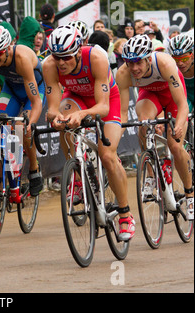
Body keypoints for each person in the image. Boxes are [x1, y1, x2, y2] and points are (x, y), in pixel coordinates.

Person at [43, 25, 136, 241]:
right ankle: (76, 175)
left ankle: (125, 214)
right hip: (76, 97)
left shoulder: (96, 57)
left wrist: (83, 114)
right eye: (57, 57)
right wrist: (56, 117)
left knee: (107, 156)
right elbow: (53, 108)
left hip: (106, 101)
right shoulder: (49, 65)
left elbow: (102, 107)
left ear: (78, 51)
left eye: (66, 57)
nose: (61, 62)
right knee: (64, 124)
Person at [116, 34, 193, 220]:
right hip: (150, 95)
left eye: (139, 63)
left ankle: (190, 194)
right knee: (143, 122)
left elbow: (182, 103)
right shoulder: (122, 74)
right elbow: (123, 113)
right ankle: (150, 173)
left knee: (175, 145)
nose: (134, 68)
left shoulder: (166, 64)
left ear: (149, 59)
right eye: (129, 63)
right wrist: (113, 144)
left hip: (173, 98)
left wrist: (180, 126)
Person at [0, 26, 46, 198]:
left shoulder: (22, 58)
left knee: (22, 127)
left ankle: (33, 168)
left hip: (34, 90)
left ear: (8, 48)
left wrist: (31, 123)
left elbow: (36, 101)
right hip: (12, 91)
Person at [167, 33, 194, 114]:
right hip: (184, 95)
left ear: (192, 55)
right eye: (176, 59)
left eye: (184, 58)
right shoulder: (169, 67)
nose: (180, 63)